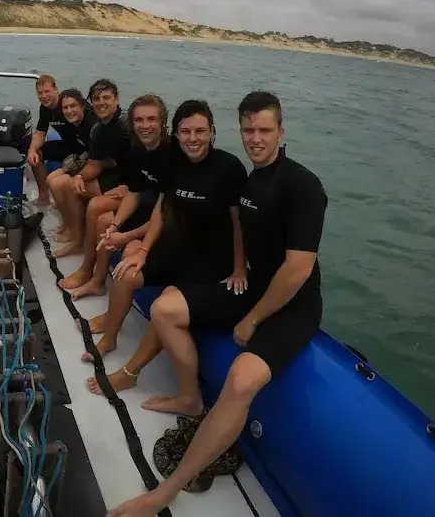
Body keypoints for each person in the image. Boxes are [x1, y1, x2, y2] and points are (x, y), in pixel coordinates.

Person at [106, 91, 327, 516]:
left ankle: (163, 493)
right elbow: (237, 229)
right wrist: (236, 270)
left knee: (240, 381)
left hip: (292, 305)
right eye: (249, 130)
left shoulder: (303, 186)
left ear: (281, 131)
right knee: (165, 309)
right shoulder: (253, 180)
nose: (255, 138)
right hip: (250, 287)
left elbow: (298, 270)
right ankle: (191, 399)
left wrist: (253, 319)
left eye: (264, 130)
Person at [86, 100, 247, 390]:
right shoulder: (174, 162)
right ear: (177, 134)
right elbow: (162, 208)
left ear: (212, 131)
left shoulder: (228, 167)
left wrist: (238, 268)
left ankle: (130, 373)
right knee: (126, 273)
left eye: (200, 131)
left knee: (165, 305)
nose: (193, 138)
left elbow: (238, 223)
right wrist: (143, 250)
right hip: (179, 250)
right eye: (186, 132)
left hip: (211, 262)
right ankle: (109, 339)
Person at [68, 94, 175, 304]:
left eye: (151, 119)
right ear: (132, 123)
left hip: (168, 222)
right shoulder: (138, 149)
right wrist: (115, 226)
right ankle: (97, 281)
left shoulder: (172, 156)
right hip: (150, 206)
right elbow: (134, 193)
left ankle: (114, 306)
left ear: (163, 122)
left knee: (128, 247)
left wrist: (125, 237)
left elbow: (164, 215)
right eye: (139, 120)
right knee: (105, 222)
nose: (145, 126)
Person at [54, 79, 130, 276]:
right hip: (115, 177)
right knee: (72, 185)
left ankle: (88, 267)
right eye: (96, 99)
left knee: (97, 207)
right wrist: (79, 176)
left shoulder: (127, 127)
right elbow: (95, 164)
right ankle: (77, 240)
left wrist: (127, 186)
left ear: (117, 100)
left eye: (106, 98)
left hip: (129, 183)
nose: (101, 102)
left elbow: (138, 165)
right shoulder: (98, 129)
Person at [47, 89, 97, 241]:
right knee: (51, 178)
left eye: (73, 106)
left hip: (95, 167)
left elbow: (95, 157)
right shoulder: (74, 124)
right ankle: (68, 224)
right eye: (65, 108)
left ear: (82, 106)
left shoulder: (91, 125)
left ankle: (75, 231)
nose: (69, 111)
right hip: (85, 162)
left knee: (60, 183)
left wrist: (78, 171)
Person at [26, 75, 68, 205]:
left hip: (81, 146)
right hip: (66, 144)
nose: (44, 96)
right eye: (40, 93)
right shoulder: (45, 108)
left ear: (56, 89)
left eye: (47, 91)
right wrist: (32, 150)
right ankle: (44, 196)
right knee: (37, 154)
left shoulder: (67, 104)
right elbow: (40, 133)